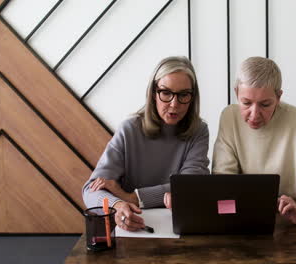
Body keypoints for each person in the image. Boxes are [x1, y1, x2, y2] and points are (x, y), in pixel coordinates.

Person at [82, 56, 209, 231]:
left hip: (179, 227)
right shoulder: (130, 129)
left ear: (192, 97)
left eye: (184, 95)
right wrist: (119, 204)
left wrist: (132, 197)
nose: (174, 104)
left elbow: (188, 185)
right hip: (135, 227)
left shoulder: (199, 131)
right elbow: (90, 190)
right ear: (153, 94)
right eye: (166, 93)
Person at [212, 56, 296, 225]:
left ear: (279, 96)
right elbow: (222, 185)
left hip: (293, 225)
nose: (254, 114)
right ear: (236, 92)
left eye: (265, 104)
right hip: (243, 221)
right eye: (246, 103)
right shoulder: (229, 117)